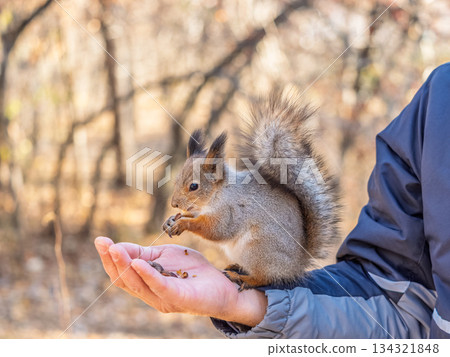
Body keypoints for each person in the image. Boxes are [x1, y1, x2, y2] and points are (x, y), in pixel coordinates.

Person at [95, 62, 450, 338]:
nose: (179, 201)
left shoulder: (226, 198)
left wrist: (190, 224)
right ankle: (254, 280)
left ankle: (255, 276)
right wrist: (248, 308)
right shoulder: (438, 99)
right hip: (283, 268)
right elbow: (394, 299)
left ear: (215, 175)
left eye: (190, 191)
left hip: (274, 251)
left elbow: (221, 229)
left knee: (252, 234)